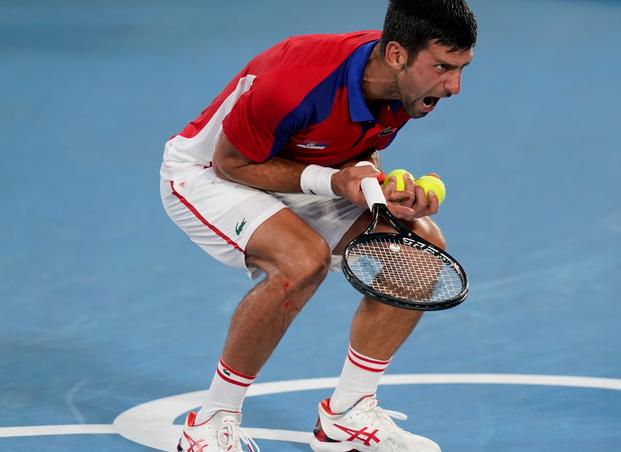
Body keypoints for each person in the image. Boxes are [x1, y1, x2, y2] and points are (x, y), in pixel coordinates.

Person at [159, 1, 476, 450]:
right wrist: (335, 181)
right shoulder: (294, 80)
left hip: (301, 174)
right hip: (209, 172)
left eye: (462, 68)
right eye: (443, 67)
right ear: (397, 55)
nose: (454, 86)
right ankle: (211, 421)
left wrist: (379, 190)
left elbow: (355, 149)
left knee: (420, 253)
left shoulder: (408, 89)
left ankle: (348, 413)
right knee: (300, 260)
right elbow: (232, 163)